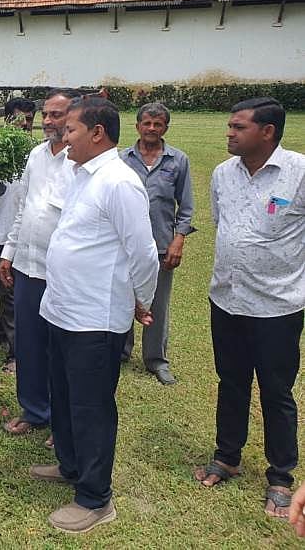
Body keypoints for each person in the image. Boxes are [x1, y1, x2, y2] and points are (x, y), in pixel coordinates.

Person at [31, 95, 158, 534]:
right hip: (62, 310)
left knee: (91, 408)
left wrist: (142, 299)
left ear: (97, 133)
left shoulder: (119, 182)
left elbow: (143, 252)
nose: (63, 139)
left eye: (70, 131)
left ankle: (95, 498)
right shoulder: (82, 174)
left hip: (94, 319)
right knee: (63, 397)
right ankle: (70, 465)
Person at [194, 97, 305, 518]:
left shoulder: (298, 172)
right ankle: (227, 456)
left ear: (267, 132)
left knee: (277, 392)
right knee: (231, 381)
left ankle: (280, 476)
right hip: (226, 299)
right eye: (229, 125)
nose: (229, 133)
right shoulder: (223, 174)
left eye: (238, 127)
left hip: (278, 306)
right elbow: (224, 226)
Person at [0, 89, 79, 438]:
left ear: (75, 117)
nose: (47, 121)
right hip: (27, 266)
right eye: (45, 114)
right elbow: (23, 209)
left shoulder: (83, 162)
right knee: (29, 342)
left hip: (63, 273)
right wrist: (9, 253)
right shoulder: (36, 155)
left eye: (56, 115)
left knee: (61, 350)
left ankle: (64, 421)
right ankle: (34, 410)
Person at [120, 102, 196, 385]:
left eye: (158, 124)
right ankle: (120, 351)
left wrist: (178, 240)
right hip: (124, 245)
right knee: (123, 297)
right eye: (147, 123)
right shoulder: (121, 159)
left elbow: (185, 207)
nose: (151, 129)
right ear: (137, 125)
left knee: (157, 304)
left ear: (166, 127)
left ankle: (156, 360)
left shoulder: (178, 160)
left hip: (162, 244)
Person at [0, 98, 36, 373]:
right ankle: (2, 332)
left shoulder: (37, 153)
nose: (24, 124)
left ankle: (17, 354)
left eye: (29, 119)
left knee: (13, 293)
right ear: (6, 120)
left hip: (23, 234)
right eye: (19, 118)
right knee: (5, 289)